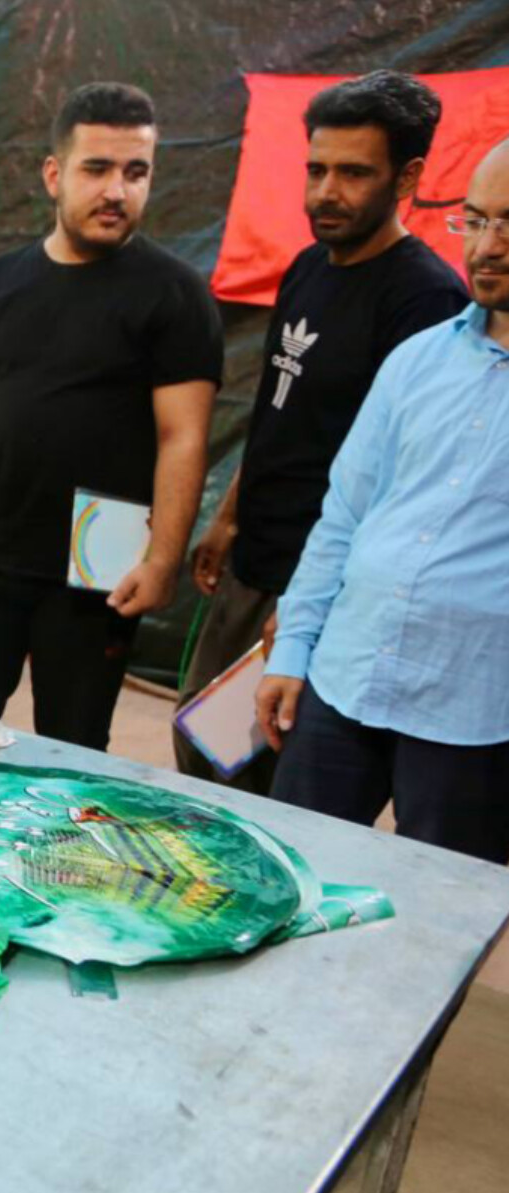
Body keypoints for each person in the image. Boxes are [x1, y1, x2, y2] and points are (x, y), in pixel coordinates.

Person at [0, 82, 224, 750]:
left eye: (136, 172)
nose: (117, 191)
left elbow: (183, 437)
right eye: (96, 169)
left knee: (73, 747)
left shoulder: (176, 296)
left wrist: (163, 560)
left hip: (98, 568)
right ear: (54, 174)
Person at [177, 71, 468, 793]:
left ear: (408, 178)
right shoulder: (307, 268)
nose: (326, 192)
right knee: (200, 750)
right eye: (316, 170)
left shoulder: (427, 302)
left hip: (320, 593)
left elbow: (409, 480)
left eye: (354, 173)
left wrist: (312, 610)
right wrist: (228, 516)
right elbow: (280, 407)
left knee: (259, 785)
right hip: (252, 562)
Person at [254, 138, 509, 865]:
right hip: (347, 675)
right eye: (476, 220)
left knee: (444, 915)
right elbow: (343, 516)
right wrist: (294, 651)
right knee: (285, 876)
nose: (487, 246)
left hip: (478, 713)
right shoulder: (418, 359)